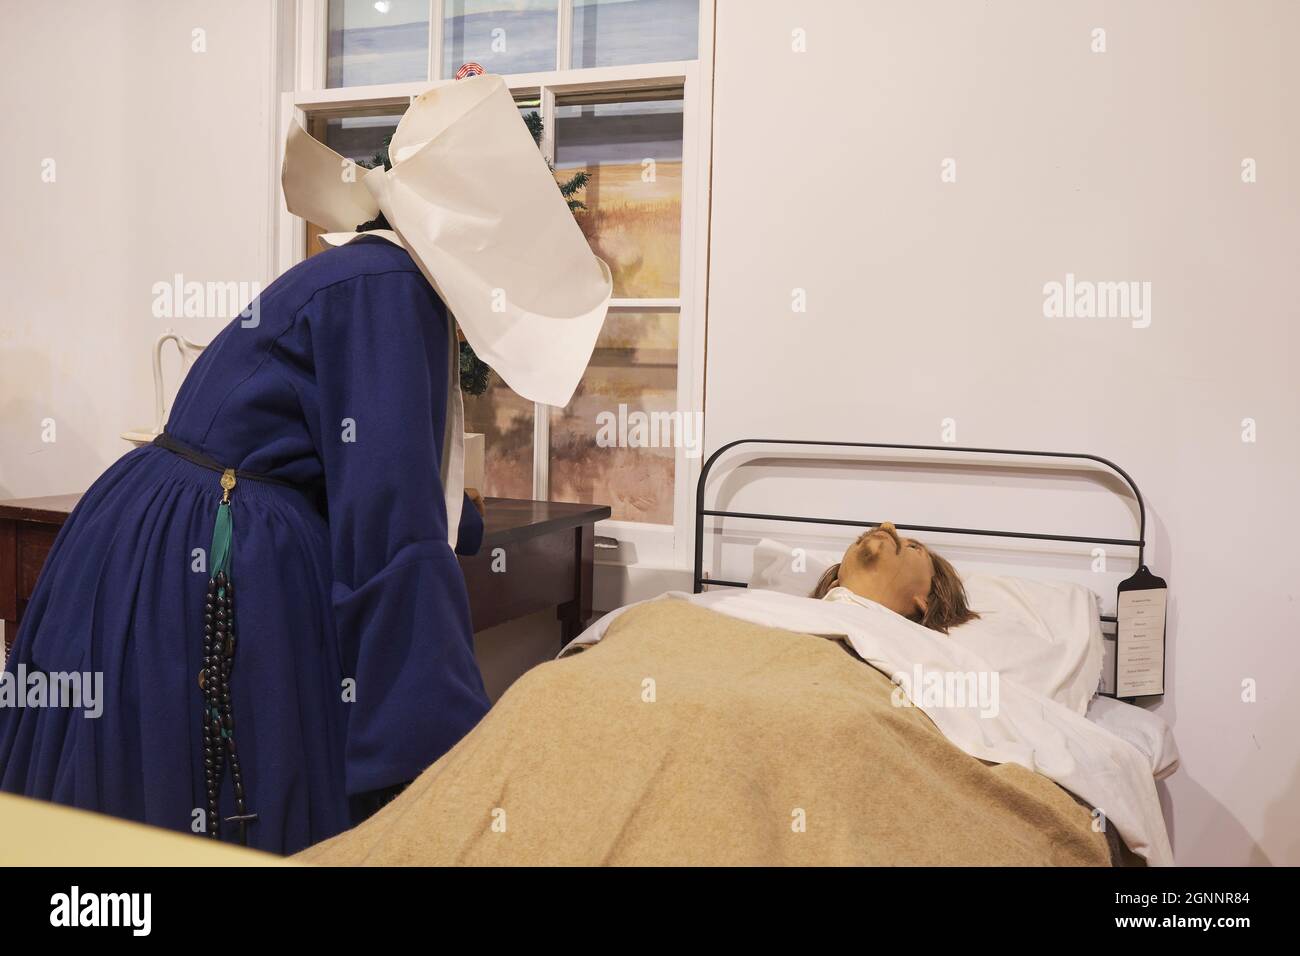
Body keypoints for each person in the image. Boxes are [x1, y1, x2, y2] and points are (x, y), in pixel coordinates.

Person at [0, 73, 612, 854]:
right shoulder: (392, 288)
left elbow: (350, 462)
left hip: (160, 525)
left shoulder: (373, 272)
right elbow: (388, 533)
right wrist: (445, 760)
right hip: (212, 542)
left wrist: (456, 519)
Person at [811, 522, 978, 633]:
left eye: (913, 547)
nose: (887, 526)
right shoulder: (788, 609)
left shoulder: (920, 660)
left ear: (925, 601)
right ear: (834, 584)